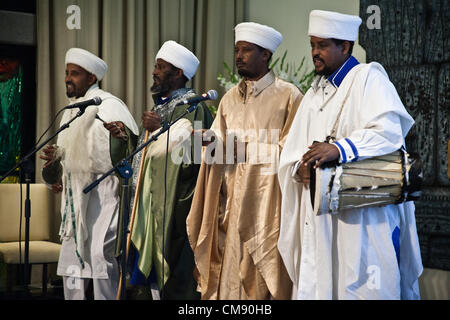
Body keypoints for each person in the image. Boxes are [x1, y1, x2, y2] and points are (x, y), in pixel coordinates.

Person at [278, 10, 423, 300]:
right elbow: (290, 153)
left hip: (364, 219)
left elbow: (388, 132)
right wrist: (299, 170)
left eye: (322, 46)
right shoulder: (313, 94)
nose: (314, 53)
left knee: (362, 284)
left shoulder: (368, 79)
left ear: (345, 46)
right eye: (312, 45)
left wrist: (339, 148)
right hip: (321, 219)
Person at [186, 22, 303, 300]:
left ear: (266, 55)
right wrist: (207, 142)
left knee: (262, 285)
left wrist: (244, 150)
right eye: (237, 50)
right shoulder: (228, 99)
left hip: (266, 208)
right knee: (227, 282)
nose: (239, 56)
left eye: (247, 50)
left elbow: (292, 152)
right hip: (229, 205)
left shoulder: (289, 96)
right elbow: (219, 149)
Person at [107, 40, 213, 300]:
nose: (154, 72)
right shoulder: (161, 107)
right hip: (146, 206)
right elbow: (147, 155)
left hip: (175, 208)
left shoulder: (194, 107)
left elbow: (193, 157)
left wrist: (162, 129)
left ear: (178, 73)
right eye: (156, 66)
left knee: (174, 280)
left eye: (161, 67)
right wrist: (125, 139)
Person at [40, 48, 139, 300]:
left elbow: (128, 153)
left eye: (75, 73)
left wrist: (120, 139)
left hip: (104, 196)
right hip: (75, 197)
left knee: (100, 259)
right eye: (66, 73)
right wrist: (57, 163)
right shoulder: (71, 110)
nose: (67, 79)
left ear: (92, 78)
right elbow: (67, 155)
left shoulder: (110, 106)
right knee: (72, 260)